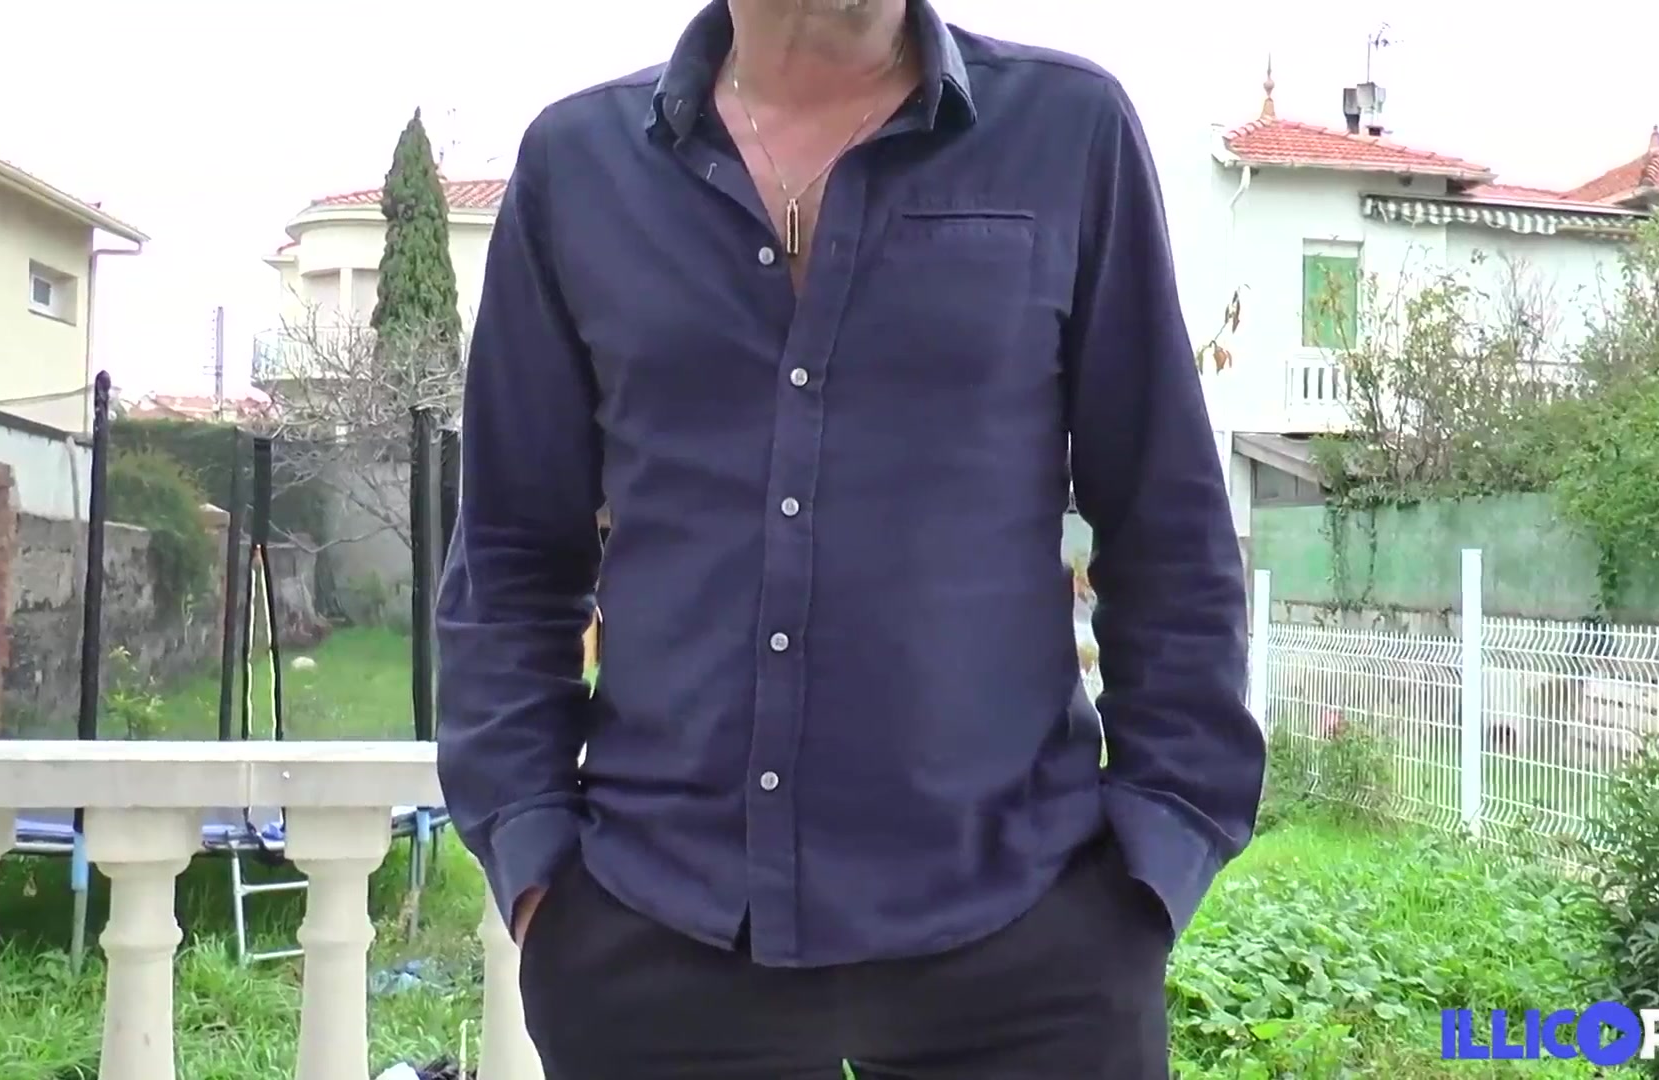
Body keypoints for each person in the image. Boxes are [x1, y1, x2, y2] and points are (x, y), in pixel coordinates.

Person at [434, 0, 1265, 1076]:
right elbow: (511, 550)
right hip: (655, 942)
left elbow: (1167, 523)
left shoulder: (1068, 134)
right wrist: (539, 871)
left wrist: (1153, 862)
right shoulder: (578, 167)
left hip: (1029, 948)